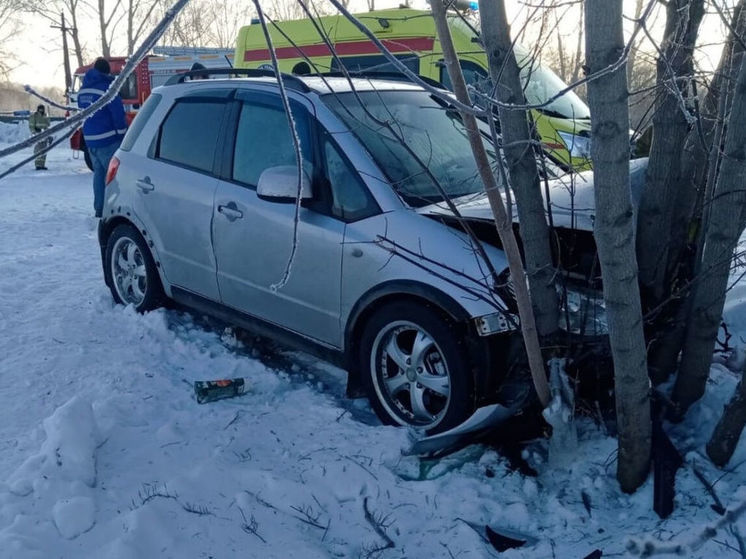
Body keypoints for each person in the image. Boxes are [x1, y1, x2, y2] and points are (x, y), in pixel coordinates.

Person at [77, 57, 127, 218]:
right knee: (114, 176)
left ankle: (99, 208)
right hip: (108, 139)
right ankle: (114, 209)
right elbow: (117, 113)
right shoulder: (107, 88)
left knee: (98, 174)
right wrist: (122, 133)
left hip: (90, 140)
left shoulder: (84, 89)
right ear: (106, 71)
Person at [28, 104, 50, 170]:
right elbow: (31, 125)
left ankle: (42, 165)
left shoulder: (45, 115)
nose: (41, 110)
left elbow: (48, 124)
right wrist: (34, 133)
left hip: (44, 134)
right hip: (37, 134)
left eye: (42, 109)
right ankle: (37, 165)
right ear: (38, 109)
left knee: (44, 150)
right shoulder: (34, 116)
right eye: (40, 109)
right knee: (38, 150)